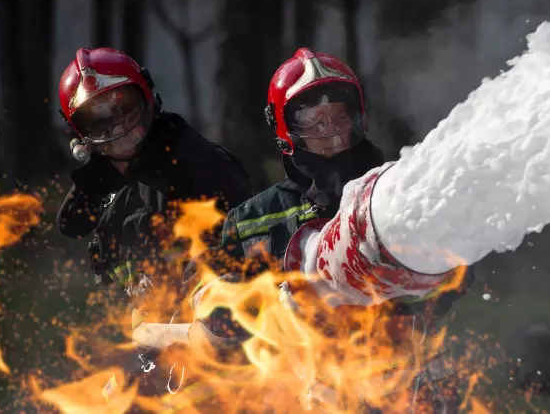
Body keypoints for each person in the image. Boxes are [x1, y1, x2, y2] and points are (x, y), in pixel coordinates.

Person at [186, 48, 473, 412]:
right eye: (314, 123)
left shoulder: (393, 194)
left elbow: (458, 275)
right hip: (292, 391)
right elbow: (204, 286)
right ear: (285, 130)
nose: (332, 133)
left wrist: (403, 298)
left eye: (340, 118)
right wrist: (241, 303)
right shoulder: (253, 217)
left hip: (398, 385)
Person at [55, 47, 253, 313]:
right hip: (140, 329)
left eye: (123, 109)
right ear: (79, 132)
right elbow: (72, 224)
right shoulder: (105, 177)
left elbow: (241, 266)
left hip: (204, 331)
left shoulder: (204, 168)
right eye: (97, 121)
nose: (117, 129)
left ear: (146, 97)